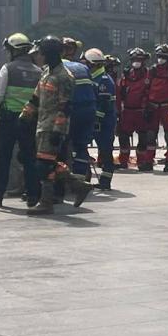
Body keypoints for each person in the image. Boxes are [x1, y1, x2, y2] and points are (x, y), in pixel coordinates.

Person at [20, 35, 92, 214]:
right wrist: (25, 116)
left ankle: (47, 202)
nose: (39, 56)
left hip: (53, 127)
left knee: (44, 165)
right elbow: (36, 98)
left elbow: (65, 106)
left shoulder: (64, 77)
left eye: (42, 53)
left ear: (50, 54)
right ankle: (78, 185)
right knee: (48, 163)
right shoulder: (45, 72)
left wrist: (58, 131)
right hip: (41, 124)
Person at [0, 33, 42, 208]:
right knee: (30, 158)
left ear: (14, 51)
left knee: (3, 158)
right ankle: (33, 196)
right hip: (30, 121)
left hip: (9, 120)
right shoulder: (39, 72)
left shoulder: (7, 69)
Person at [139, 44, 168, 172]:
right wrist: (145, 105)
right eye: (159, 57)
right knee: (151, 134)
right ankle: (148, 161)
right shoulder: (152, 70)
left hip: (167, 106)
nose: (160, 59)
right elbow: (146, 89)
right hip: (152, 106)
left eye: (163, 57)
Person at [61, 39, 97, 181]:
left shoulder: (58, 67)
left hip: (73, 111)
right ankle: (80, 180)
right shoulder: (83, 67)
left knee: (62, 146)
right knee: (81, 146)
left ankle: (62, 181)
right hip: (89, 111)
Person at [84, 48, 118, 190]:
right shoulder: (94, 77)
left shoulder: (103, 80)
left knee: (105, 150)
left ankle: (106, 181)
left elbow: (104, 104)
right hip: (98, 120)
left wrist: (96, 119)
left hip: (104, 122)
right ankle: (87, 176)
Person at [116, 47, 151, 169]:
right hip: (127, 111)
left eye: (139, 59)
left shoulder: (149, 74)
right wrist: (118, 112)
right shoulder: (126, 75)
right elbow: (119, 94)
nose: (137, 61)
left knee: (143, 138)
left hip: (142, 112)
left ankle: (141, 162)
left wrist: (149, 109)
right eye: (134, 59)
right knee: (123, 137)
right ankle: (123, 161)